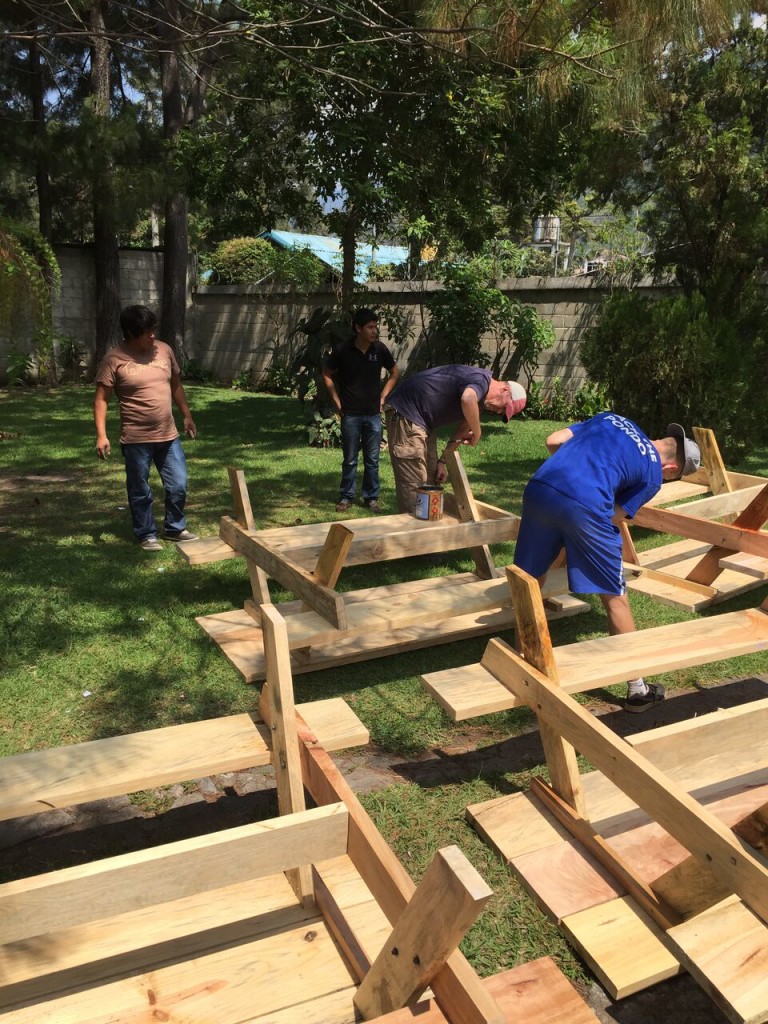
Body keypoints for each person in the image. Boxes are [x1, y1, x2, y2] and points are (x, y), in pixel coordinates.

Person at [513, 412, 701, 712]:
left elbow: (554, 440)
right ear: (671, 467)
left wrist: (571, 481)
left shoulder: (614, 419)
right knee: (615, 598)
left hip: (541, 486)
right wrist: (579, 505)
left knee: (529, 580)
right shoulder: (653, 475)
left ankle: (521, 661)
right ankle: (638, 689)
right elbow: (613, 515)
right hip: (585, 506)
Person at [93, 304, 198, 551]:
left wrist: (187, 416)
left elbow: (176, 385)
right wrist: (102, 435)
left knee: (179, 484)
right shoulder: (114, 360)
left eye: (153, 329)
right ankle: (146, 533)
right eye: (146, 332)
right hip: (135, 438)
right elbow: (101, 399)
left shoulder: (164, 351)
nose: (152, 335)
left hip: (168, 435)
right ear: (129, 333)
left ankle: (174, 528)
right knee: (140, 489)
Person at [384, 365, 527, 514]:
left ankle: (428, 528)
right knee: (415, 488)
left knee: (432, 482)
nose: (499, 411)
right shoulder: (481, 381)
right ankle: (412, 531)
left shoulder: (480, 401)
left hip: (424, 422)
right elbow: (467, 399)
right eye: (504, 408)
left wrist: (442, 462)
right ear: (504, 390)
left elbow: (462, 430)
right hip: (406, 412)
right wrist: (477, 433)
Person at [322, 308, 400, 513]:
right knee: (349, 459)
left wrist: (383, 397)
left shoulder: (380, 350)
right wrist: (337, 401)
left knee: (372, 460)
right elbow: (327, 373)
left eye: (376, 327)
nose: (375, 331)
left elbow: (394, 372)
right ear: (358, 328)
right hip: (351, 415)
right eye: (370, 327)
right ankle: (346, 497)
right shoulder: (343, 350)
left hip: (373, 415)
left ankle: (371, 498)